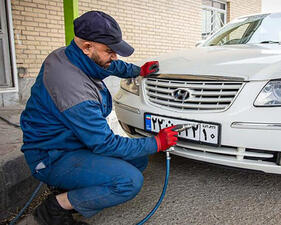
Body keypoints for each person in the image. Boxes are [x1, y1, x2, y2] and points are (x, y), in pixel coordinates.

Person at [20, 11, 178, 225]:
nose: (115, 57)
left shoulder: (69, 55)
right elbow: (105, 144)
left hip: (72, 142)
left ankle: (72, 187)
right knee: (129, 181)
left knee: (138, 159)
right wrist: (157, 142)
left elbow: (108, 65)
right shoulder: (73, 89)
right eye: (110, 51)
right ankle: (55, 208)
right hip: (52, 155)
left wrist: (137, 71)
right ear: (87, 47)